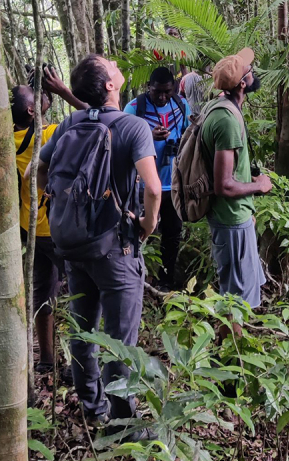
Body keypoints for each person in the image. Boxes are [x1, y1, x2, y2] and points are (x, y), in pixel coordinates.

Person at [36, 55, 161, 436]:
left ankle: (93, 407)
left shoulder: (68, 124)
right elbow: (153, 189)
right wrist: (146, 225)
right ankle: (124, 422)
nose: (114, 64)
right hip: (116, 249)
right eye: (109, 65)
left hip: (74, 248)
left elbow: (40, 171)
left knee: (82, 331)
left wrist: (65, 208)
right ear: (109, 85)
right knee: (120, 338)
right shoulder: (133, 127)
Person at [11, 66, 86, 374]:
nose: (43, 97)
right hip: (55, 229)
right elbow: (93, 114)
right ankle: (77, 362)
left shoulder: (4, 140)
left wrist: (42, 93)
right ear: (32, 110)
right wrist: (62, 92)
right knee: (81, 291)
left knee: (44, 292)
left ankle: (45, 360)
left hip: (29, 228)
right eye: (37, 97)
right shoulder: (48, 133)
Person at [200, 48, 272, 334]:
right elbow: (224, 184)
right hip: (230, 220)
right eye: (249, 70)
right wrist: (259, 185)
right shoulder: (227, 119)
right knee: (236, 298)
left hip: (237, 216)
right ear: (242, 83)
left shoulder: (221, 107)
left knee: (240, 290)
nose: (254, 72)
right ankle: (233, 361)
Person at [124, 67, 191, 291]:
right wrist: (148, 135)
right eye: (157, 92)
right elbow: (122, 144)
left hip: (172, 182)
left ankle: (166, 281)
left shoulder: (181, 106)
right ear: (148, 88)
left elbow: (190, 136)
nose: (162, 97)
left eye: (167, 92)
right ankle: (137, 280)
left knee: (172, 235)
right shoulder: (134, 108)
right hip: (142, 185)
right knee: (141, 233)